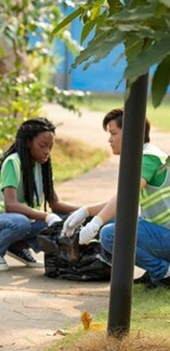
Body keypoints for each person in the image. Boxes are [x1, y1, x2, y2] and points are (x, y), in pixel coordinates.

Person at [62, 108, 170, 287]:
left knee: (109, 234)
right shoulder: (142, 156)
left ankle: (163, 273)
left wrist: (96, 223)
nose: (109, 139)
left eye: (113, 133)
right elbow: (121, 200)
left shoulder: (148, 157)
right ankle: (156, 272)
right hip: (163, 233)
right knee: (115, 219)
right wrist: (85, 211)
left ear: (130, 133)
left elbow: (126, 195)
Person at [0, 117, 79, 271]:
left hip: (21, 221)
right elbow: (10, 205)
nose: (47, 151)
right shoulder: (13, 163)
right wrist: (45, 216)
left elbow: (55, 204)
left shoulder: (42, 166)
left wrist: (85, 212)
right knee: (21, 222)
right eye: (43, 146)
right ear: (28, 143)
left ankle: (16, 247)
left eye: (50, 147)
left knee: (65, 221)